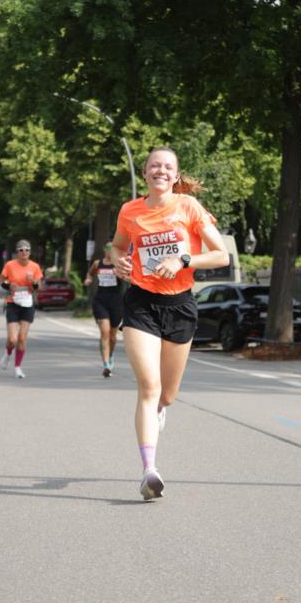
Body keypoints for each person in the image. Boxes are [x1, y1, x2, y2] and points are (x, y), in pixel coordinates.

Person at [111, 147, 229, 500]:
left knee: (167, 395)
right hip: (141, 304)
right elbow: (116, 247)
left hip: (180, 305)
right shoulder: (129, 211)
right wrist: (118, 262)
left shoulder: (188, 207)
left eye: (168, 167)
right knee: (148, 387)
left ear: (175, 176)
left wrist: (184, 259)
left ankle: (161, 409)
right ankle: (149, 471)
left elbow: (221, 254)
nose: (160, 171)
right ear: (144, 173)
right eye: (154, 166)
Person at [0, 240, 43, 379]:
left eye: (27, 250)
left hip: (28, 304)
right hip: (13, 303)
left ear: (30, 252)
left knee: (22, 338)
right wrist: (8, 286)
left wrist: (33, 282)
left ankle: (18, 368)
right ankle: (7, 353)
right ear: (17, 252)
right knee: (12, 339)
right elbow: (0, 281)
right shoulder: (10, 265)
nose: (24, 252)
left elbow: (39, 288)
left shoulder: (35, 267)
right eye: (21, 250)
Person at [84, 241, 124, 377]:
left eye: (113, 248)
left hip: (116, 301)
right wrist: (88, 280)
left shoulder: (119, 264)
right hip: (100, 300)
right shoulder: (97, 263)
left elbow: (127, 277)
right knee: (105, 332)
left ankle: (111, 355)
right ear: (104, 249)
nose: (110, 250)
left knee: (113, 335)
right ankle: (106, 364)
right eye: (108, 247)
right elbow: (90, 274)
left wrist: (118, 273)